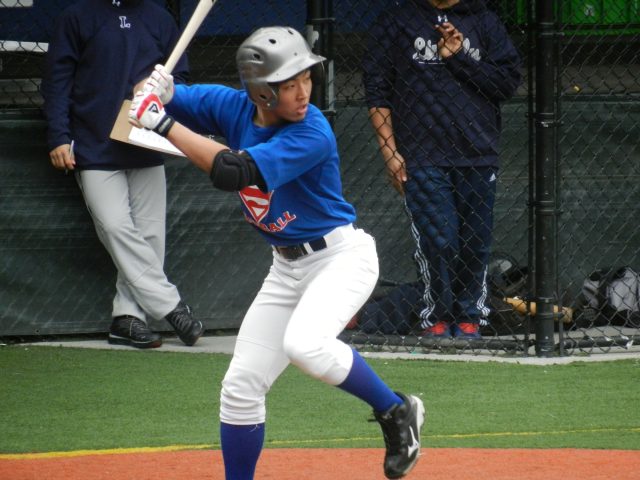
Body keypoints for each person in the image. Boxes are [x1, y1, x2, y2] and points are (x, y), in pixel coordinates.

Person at [129, 26, 425, 480]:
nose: (304, 90)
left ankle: (395, 409)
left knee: (305, 345)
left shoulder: (313, 131)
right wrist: (154, 89)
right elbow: (164, 97)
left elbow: (233, 171)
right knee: (240, 387)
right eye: (290, 84)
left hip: (340, 258)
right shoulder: (232, 106)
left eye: (306, 77)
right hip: (286, 267)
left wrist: (162, 123)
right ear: (261, 93)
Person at [41, 0, 204, 349]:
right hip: (92, 143)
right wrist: (58, 135)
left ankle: (127, 318)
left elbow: (181, 79)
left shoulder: (159, 17)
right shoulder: (78, 16)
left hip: (145, 141)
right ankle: (171, 306)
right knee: (115, 226)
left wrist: (159, 87)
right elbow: (57, 81)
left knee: (150, 236)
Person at [362, 0, 522, 339]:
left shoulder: (485, 21)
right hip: (421, 154)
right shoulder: (397, 20)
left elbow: (507, 83)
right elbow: (377, 90)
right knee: (439, 241)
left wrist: (459, 57)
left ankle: (469, 317)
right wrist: (390, 151)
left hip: (477, 153)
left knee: (475, 243)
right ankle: (435, 315)